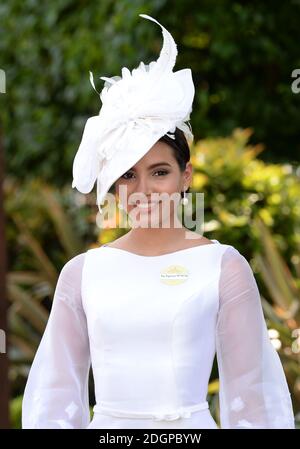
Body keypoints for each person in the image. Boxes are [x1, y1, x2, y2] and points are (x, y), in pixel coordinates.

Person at [21, 14, 295, 429]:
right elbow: (55, 397)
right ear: (112, 185)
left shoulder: (224, 268)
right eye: (127, 174)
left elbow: (251, 396)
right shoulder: (81, 274)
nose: (143, 188)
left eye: (160, 172)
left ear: (186, 176)